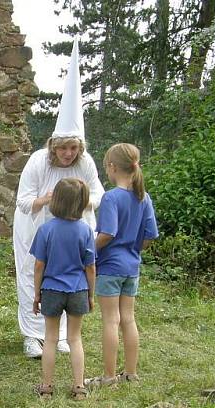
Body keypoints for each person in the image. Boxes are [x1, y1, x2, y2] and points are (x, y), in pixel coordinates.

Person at [14, 39, 104, 359]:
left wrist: (80, 202)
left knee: (69, 278)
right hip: (38, 231)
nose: (68, 154)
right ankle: (32, 335)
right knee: (33, 276)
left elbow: (98, 194)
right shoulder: (38, 161)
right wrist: (45, 200)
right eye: (63, 148)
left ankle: (64, 334)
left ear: (79, 147)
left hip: (73, 232)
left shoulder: (85, 163)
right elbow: (23, 201)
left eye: (73, 148)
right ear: (54, 145)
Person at [86, 143, 159, 388]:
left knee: (110, 320)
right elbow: (149, 236)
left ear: (112, 167)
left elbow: (107, 233)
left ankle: (108, 377)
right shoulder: (143, 197)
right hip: (132, 267)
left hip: (110, 268)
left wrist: (89, 250)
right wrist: (133, 249)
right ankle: (130, 372)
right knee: (128, 318)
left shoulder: (111, 197)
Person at [30, 178, 96, 398]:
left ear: (56, 201)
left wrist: (36, 294)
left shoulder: (46, 230)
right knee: (75, 339)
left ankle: (47, 387)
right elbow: (91, 268)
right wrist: (91, 295)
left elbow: (39, 265)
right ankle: (79, 387)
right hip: (78, 289)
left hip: (51, 289)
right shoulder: (86, 231)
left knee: (50, 338)